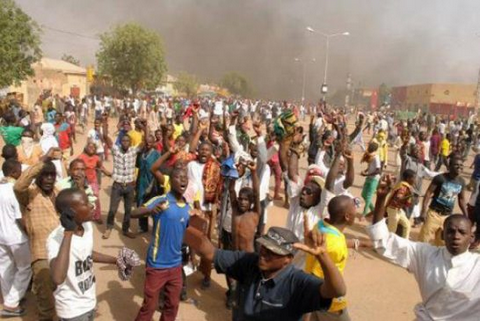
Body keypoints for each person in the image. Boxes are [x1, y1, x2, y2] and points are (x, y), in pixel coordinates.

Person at [368, 174, 480, 321]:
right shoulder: (425, 254)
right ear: (442, 235)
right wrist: (381, 199)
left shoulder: (476, 265)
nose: (456, 236)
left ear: (471, 238)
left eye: (462, 232)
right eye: (450, 232)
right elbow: (383, 241)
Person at [185, 222, 346, 321]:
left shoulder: (297, 282)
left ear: (288, 259)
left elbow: (337, 290)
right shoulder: (249, 263)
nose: (264, 253)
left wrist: (323, 256)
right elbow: (210, 253)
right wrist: (181, 223)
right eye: (264, 247)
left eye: (273, 251)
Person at [47, 188, 119, 321]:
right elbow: (57, 277)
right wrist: (68, 233)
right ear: (71, 212)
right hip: (72, 310)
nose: (92, 205)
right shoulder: (55, 239)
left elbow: (86, 253)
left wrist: (115, 260)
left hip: (89, 301)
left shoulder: (86, 226)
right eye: (85, 204)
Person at [131, 167, 191, 321]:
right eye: (178, 177)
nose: (183, 179)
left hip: (176, 266)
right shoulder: (161, 200)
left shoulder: (187, 207)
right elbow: (133, 213)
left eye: (185, 177)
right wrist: (150, 210)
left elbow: (186, 233)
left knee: (172, 305)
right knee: (149, 307)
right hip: (157, 264)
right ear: (170, 181)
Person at [305, 195, 371, 321]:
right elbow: (316, 276)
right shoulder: (334, 244)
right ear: (347, 216)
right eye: (354, 210)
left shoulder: (321, 225)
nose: (356, 213)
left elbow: (334, 240)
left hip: (315, 300)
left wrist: (359, 243)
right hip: (330, 304)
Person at [13, 148, 62, 320]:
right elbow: (19, 185)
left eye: (52, 175)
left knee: (63, 297)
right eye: (44, 175)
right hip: (42, 256)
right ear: (37, 177)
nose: (49, 179)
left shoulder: (58, 193)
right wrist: (43, 160)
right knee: (46, 302)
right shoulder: (29, 195)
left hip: (61, 252)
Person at [0, 160, 32, 317]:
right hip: (17, 237)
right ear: (13, 172)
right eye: (20, 171)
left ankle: (9, 298)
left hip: (1, 237)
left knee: (5, 268)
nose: (22, 174)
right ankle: (11, 303)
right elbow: (20, 218)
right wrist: (30, 232)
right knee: (25, 268)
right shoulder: (14, 190)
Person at [103, 127, 145, 239]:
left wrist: (144, 128)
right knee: (112, 209)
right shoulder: (116, 150)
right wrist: (104, 122)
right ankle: (109, 227)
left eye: (127, 141)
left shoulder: (133, 150)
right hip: (118, 185)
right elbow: (106, 137)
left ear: (130, 143)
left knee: (128, 210)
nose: (125, 143)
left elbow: (144, 142)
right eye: (123, 141)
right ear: (120, 142)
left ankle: (125, 229)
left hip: (130, 186)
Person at [419, 154, 467, 245]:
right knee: (424, 240)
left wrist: (466, 216)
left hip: (447, 217)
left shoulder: (461, 182)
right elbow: (428, 193)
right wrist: (423, 210)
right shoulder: (440, 178)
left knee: (441, 243)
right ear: (449, 166)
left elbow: (461, 200)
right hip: (434, 214)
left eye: (461, 165)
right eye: (456, 165)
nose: (459, 167)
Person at [77, 143, 112, 223]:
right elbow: (75, 167)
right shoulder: (81, 157)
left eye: (93, 147)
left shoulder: (97, 158)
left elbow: (101, 167)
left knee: (96, 198)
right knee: (82, 198)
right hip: (83, 181)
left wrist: (109, 174)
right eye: (90, 147)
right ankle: (83, 216)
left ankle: (97, 216)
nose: (91, 148)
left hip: (93, 181)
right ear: (85, 148)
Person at [136, 134, 161, 234]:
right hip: (141, 183)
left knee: (153, 207)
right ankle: (143, 226)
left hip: (152, 184)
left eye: (150, 142)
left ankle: (155, 229)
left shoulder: (156, 154)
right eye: (146, 142)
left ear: (154, 142)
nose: (148, 144)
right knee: (141, 205)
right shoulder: (141, 153)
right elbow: (138, 166)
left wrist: (150, 186)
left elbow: (158, 172)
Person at [385, 169, 416, 239]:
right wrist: (410, 195)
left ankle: (404, 243)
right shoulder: (403, 187)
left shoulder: (405, 186)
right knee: (391, 230)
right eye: (413, 178)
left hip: (397, 210)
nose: (415, 180)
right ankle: (385, 245)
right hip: (393, 209)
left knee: (407, 225)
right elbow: (398, 199)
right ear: (408, 179)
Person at [360, 142, 381, 217]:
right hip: (369, 177)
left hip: (374, 179)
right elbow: (371, 167)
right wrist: (365, 171)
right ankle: (373, 210)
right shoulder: (371, 156)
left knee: (368, 196)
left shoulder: (376, 157)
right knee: (363, 194)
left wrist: (367, 174)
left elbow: (378, 170)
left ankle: (364, 214)